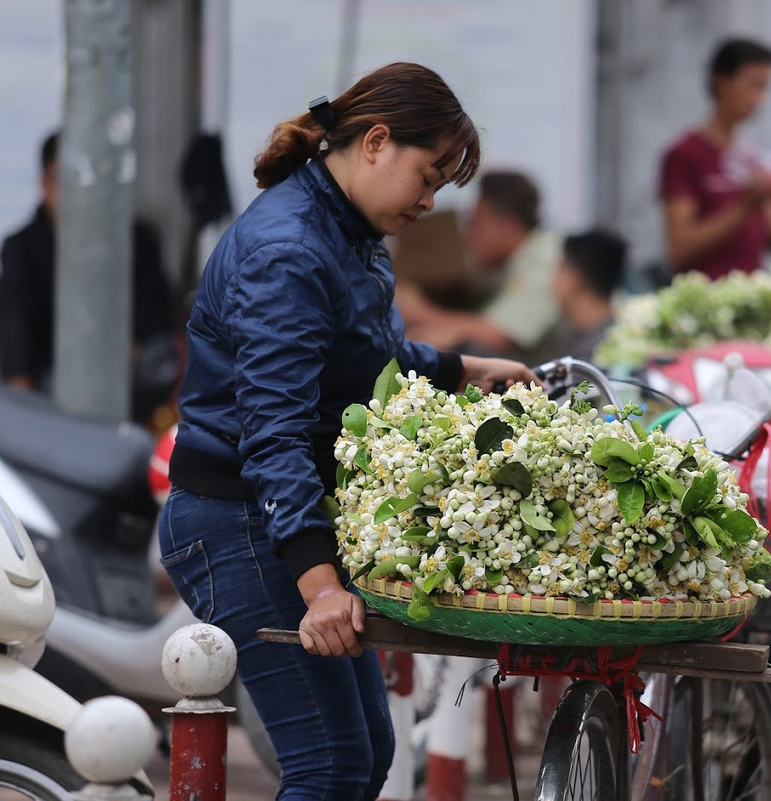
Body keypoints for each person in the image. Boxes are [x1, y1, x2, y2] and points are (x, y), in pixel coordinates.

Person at [158, 63, 534, 800]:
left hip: (270, 515)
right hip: (241, 523)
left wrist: (463, 368)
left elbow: (363, 355)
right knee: (329, 763)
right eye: (428, 177)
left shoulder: (341, 226)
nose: (431, 202)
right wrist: (321, 582)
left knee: (366, 755)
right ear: (377, 142)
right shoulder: (290, 250)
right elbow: (273, 432)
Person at [0, 131, 175, 403]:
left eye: (86, 184)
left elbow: (156, 311)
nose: (76, 196)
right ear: (45, 185)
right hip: (51, 380)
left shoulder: (136, 239)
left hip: (127, 375)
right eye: (64, 183)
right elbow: (15, 329)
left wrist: (125, 344)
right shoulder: (21, 248)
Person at [659, 37, 771, 279]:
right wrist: (744, 206)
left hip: (750, 294)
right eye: (753, 85)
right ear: (720, 81)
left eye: (766, 87)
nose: (760, 98)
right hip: (707, 301)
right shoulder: (685, 154)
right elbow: (679, 250)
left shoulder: (754, 155)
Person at [399, 170, 562, 359]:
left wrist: (418, 312)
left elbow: (500, 335)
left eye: (475, 222)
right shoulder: (511, 262)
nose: (467, 235)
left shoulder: (545, 261)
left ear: (508, 226)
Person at [540, 229, 627, 361]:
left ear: (574, 278)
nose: (552, 282)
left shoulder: (587, 357)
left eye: (559, 269)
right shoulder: (629, 337)